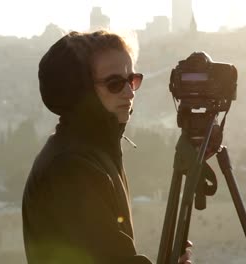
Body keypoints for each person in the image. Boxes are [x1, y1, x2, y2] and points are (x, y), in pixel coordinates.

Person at [22, 31, 192, 264]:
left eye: (132, 80)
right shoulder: (72, 166)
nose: (129, 92)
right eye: (114, 83)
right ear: (81, 91)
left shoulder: (92, 151)